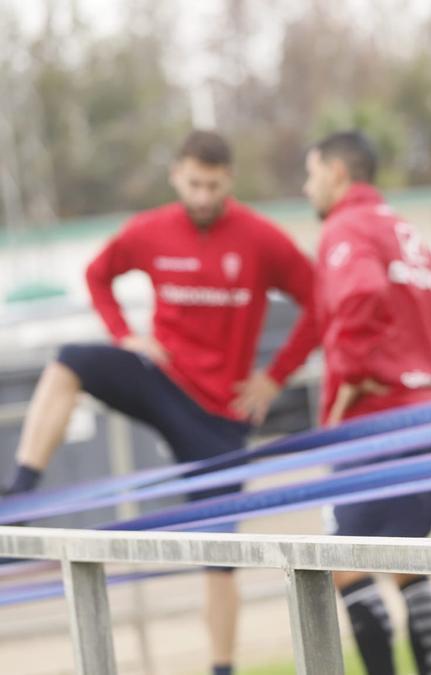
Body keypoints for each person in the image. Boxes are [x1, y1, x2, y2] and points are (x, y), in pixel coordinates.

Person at [3, 130, 320, 675]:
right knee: (70, 361)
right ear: (177, 176)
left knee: (219, 561)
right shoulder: (150, 230)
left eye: (213, 186)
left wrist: (273, 378)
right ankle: (20, 496)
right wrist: (124, 334)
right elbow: (97, 274)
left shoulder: (261, 239)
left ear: (230, 182)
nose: (202, 196)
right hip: (162, 381)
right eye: (194, 184)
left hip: (221, 415)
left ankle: (221, 668)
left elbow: (320, 301)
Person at [303, 130, 431, 675]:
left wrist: (352, 379)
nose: (307, 188)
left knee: (342, 565)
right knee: (403, 561)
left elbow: (361, 296)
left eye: (310, 175)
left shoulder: (346, 228)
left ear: (337, 174)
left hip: (372, 425)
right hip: (421, 422)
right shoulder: (406, 232)